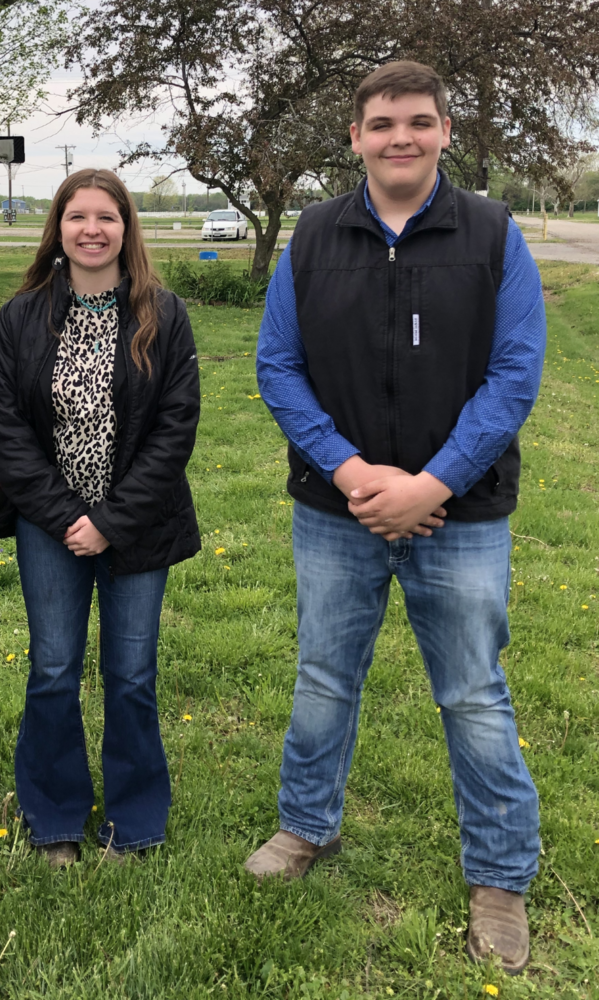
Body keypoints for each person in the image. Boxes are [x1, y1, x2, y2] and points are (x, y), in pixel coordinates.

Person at [250, 61, 546, 976]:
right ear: (355, 138)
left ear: (446, 132)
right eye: (382, 124)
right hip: (336, 510)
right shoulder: (311, 236)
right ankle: (307, 828)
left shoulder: (494, 234)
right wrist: (349, 471)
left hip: (461, 517)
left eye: (419, 122)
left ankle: (499, 878)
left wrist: (434, 485)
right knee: (323, 679)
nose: (400, 137)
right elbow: (277, 367)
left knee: (472, 694)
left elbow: (514, 377)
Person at [0, 169, 201, 867]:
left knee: (131, 675)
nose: (92, 229)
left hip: (138, 525)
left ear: (127, 228)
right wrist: (68, 515)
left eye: (107, 216)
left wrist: (109, 520)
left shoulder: (162, 313)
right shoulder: (23, 316)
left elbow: (175, 429)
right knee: (52, 669)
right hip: (50, 526)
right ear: (59, 228)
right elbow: (5, 428)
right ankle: (53, 821)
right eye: (78, 216)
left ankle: (134, 824)